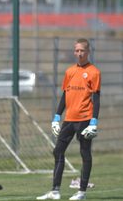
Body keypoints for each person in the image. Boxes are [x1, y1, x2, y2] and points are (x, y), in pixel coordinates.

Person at [37, 38, 101, 201]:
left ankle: (81, 192)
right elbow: (65, 95)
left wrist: (94, 122)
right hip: (69, 119)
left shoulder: (94, 72)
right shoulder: (69, 71)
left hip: (85, 119)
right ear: (74, 52)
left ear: (88, 52)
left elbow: (97, 98)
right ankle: (55, 191)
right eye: (77, 50)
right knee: (58, 151)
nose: (79, 54)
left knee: (84, 153)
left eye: (82, 51)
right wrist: (56, 117)